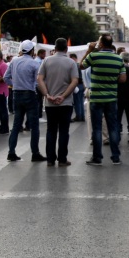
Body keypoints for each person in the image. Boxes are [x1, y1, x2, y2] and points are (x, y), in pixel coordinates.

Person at [82, 34, 127, 164]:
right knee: (113, 128)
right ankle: (115, 157)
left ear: (100, 44)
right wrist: (111, 80)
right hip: (111, 98)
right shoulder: (119, 59)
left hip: (96, 98)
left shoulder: (93, 56)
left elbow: (81, 66)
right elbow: (123, 79)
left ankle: (97, 157)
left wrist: (89, 50)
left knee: (97, 128)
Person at [37, 37, 79, 166]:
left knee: (51, 130)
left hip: (50, 103)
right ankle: (62, 159)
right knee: (64, 131)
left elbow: (39, 79)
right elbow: (75, 81)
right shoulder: (71, 63)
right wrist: (64, 96)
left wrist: (47, 95)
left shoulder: (46, 61)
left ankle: (50, 159)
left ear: (54, 49)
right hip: (65, 103)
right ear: (66, 49)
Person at [7, 40, 43, 162]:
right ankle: (35, 153)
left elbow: (6, 77)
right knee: (34, 126)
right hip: (30, 94)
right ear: (32, 51)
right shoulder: (34, 64)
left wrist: (15, 85)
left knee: (16, 125)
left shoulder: (14, 61)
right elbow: (38, 81)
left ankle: (11, 152)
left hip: (16, 94)